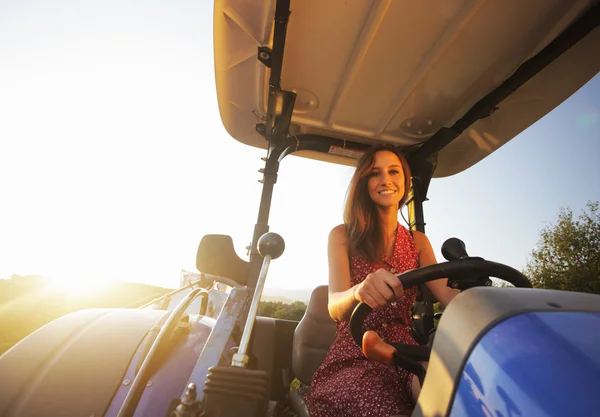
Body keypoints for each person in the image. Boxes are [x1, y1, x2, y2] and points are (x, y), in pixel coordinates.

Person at [304, 144, 459, 417]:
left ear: (404, 180)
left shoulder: (418, 242)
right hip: (358, 348)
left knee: (448, 394)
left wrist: (484, 299)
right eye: (376, 173)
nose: (386, 180)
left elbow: (448, 294)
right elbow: (334, 306)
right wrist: (358, 292)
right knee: (381, 406)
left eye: (394, 171)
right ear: (364, 183)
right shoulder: (342, 236)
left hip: (405, 351)